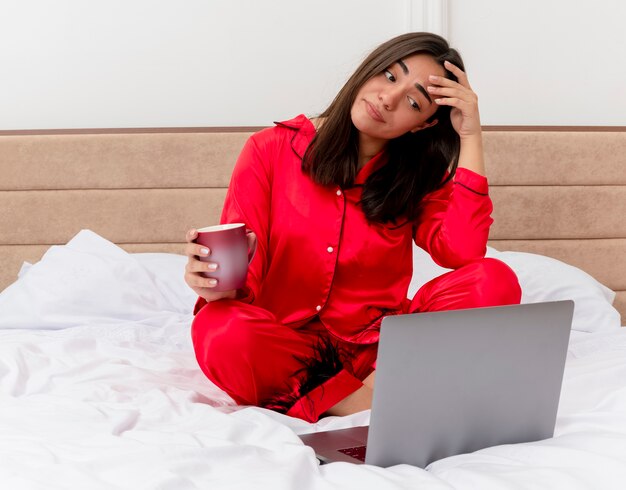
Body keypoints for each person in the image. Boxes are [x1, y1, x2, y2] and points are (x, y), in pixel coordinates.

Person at [184, 32, 521, 423]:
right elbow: (243, 279)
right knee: (219, 329)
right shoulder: (269, 149)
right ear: (369, 70)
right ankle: (370, 405)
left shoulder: (417, 177)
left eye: (413, 102)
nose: (388, 99)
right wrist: (213, 286)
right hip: (291, 352)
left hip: (382, 352)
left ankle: (349, 399)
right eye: (390, 76)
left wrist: (470, 135)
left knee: (494, 279)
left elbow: (462, 251)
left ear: (423, 124)